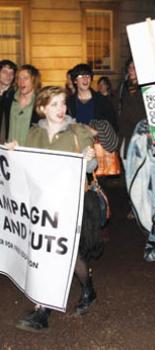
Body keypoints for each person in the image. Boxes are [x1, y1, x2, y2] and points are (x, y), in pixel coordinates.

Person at [6, 86, 101, 332]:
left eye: (62, 103)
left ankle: (88, 287)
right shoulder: (33, 134)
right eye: (54, 104)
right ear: (42, 108)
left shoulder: (77, 131)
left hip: (70, 203)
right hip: (42, 205)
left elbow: (91, 167)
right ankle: (42, 310)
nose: (61, 109)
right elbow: (24, 166)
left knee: (68, 254)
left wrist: (89, 156)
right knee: (43, 252)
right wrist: (14, 151)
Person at [66, 63, 117, 130]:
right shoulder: (69, 103)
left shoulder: (102, 101)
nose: (85, 79)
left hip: (97, 139)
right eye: (81, 76)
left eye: (88, 76)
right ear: (75, 80)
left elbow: (112, 125)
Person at [0, 64, 41, 145]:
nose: (21, 82)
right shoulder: (8, 98)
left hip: (31, 152)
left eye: (25, 78)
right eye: (19, 78)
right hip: (9, 151)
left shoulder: (41, 102)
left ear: (34, 80)